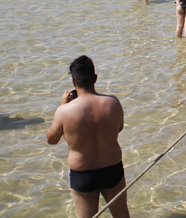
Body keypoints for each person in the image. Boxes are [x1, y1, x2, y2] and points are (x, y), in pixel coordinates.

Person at [47, 56, 130, 218]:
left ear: (73, 82)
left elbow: (51, 139)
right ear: (95, 78)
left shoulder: (64, 111)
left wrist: (63, 106)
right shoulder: (113, 102)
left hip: (83, 174)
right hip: (112, 168)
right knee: (121, 215)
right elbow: (118, 129)